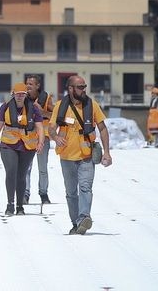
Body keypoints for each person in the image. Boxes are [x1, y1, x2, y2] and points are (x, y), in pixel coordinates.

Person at [50, 75, 112, 235]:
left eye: (84, 86)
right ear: (70, 89)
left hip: (86, 155)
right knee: (71, 193)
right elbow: (51, 128)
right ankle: (76, 223)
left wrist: (107, 152)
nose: (84, 89)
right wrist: (56, 138)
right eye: (80, 87)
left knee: (85, 187)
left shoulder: (92, 105)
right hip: (66, 157)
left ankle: (84, 217)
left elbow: (103, 128)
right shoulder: (60, 106)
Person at [0, 82, 44, 215]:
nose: (19, 97)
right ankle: (10, 204)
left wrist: (40, 142)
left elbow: (40, 126)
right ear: (13, 94)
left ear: (26, 95)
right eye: (17, 94)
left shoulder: (33, 108)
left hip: (27, 146)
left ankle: (20, 205)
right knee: (11, 172)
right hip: (8, 144)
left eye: (22, 94)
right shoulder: (6, 107)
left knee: (21, 175)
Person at [23, 74, 53, 205]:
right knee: (26, 168)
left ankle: (43, 193)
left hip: (43, 138)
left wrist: (43, 112)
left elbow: (55, 115)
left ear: (37, 86)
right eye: (27, 83)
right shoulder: (22, 98)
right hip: (27, 137)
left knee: (42, 167)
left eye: (31, 84)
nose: (28, 86)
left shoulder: (46, 99)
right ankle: (25, 193)